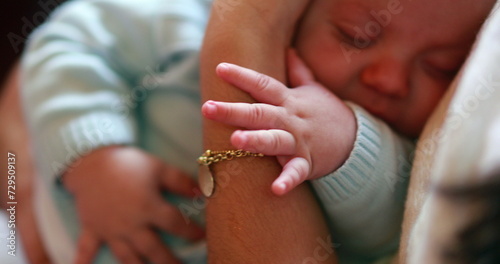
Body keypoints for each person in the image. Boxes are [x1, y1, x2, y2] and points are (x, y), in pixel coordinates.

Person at [20, 0, 495, 264]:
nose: (389, 79)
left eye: (441, 68)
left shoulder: (412, 161)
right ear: (291, 12)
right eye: (357, 36)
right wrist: (93, 155)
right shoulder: (186, 25)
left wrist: (351, 145)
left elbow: (388, 229)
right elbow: (70, 41)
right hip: (39, 229)